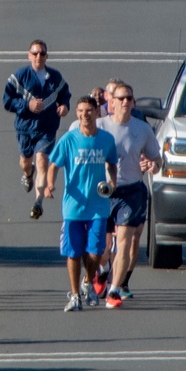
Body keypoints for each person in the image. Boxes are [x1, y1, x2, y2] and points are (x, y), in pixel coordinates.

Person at [45, 95, 118, 312]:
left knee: (95, 251)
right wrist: (50, 184)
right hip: (73, 206)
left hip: (98, 204)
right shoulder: (69, 139)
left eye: (88, 111)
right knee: (74, 253)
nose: (84, 115)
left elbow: (112, 163)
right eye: (80, 111)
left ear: (97, 112)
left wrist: (112, 181)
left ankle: (88, 281)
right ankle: (75, 295)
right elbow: (53, 164)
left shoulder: (106, 139)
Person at [98, 83, 161, 307]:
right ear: (111, 102)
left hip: (131, 191)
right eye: (121, 98)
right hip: (103, 192)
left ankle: (115, 290)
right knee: (102, 248)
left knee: (124, 242)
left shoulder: (142, 129)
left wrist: (152, 165)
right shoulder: (99, 126)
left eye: (129, 99)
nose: (126, 102)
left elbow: (157, 160)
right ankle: (102, 269)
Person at [3, 40, 71, 221]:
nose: (38, 57)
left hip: (47, 128)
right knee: (26, 161)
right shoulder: (20, 76)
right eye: (35, 53)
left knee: (42, 160)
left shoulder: (55, 77)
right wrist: (27, 105)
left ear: (47, 56)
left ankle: (38, 201)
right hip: (25, 128)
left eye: (42, 53)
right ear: (29, 55)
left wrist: (64, 106)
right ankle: (27, 174)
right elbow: (7, 101)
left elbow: (65, 95)